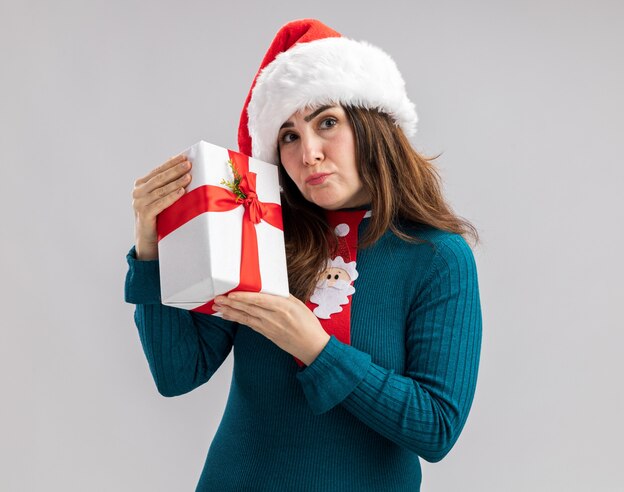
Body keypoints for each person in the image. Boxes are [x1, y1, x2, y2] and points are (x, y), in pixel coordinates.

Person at [125, 18, 482, 492]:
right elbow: (177, 374)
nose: (308, 152)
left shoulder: (437, 257)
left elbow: (435, 428)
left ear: (374, 125)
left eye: (327, 122)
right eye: (289, 135)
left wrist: (314, 348)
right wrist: (151, 247)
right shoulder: (257, 234)